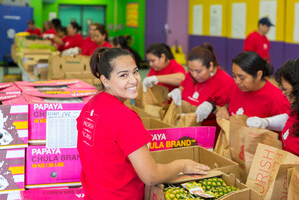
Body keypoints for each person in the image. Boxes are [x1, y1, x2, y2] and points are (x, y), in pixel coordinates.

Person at [76, 47, 210, 199]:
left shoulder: (91, 105)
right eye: (123, 75)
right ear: (105, 80)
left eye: (135, 71)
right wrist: (182, 165)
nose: (133, 80)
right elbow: (151, 176)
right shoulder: (125, 117)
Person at [168, 43, 234, 131]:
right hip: (185, 125)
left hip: (208, 132)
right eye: (191, 70)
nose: (194, 75)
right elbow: (183, 87)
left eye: (198, 71)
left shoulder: (226, 82)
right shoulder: (190, 75)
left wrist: (212, 107)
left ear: (210, 66)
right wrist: (178, 91)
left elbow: (228, 110)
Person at [216, 51, 290, 127]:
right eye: (234, 76)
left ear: (258, 75)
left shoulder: (277, 98)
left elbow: (286, 127)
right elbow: (228, 101)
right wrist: (224, 108)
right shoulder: (236, 87)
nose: (237, 81)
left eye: (242, 78)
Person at [245, 59, 299, 156]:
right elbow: (289, 119)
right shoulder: (295, 106)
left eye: (286, 90)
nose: (283, 93)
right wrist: (266, 122)